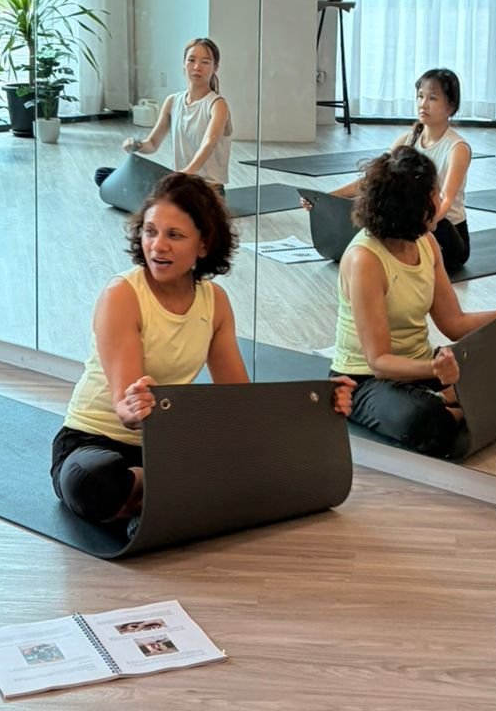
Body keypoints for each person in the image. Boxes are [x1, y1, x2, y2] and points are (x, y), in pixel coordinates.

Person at [53, 172, 353, 526]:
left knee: (265, 460)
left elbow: (238, 403)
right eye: (150, 231)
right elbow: (125, 410)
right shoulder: (122, 295)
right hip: (95, 442)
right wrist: (135, 405)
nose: (157, 246)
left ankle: (155, 496)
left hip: (164, 448)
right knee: (93, 483)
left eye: (174, 235)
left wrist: (322, 403)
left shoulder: (215, 302)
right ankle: (171, 492)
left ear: (204, 244)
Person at [331, 145, 496, 461]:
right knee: (422, 419)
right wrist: (434, 370)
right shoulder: (365, 260)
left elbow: (454, 323)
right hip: (365, 380)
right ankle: (453, 405)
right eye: (434, 195)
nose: (441, 202)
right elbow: (379, 360)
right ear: (412, 207)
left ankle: (452, 401)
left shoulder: (426, 243)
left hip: (425, 368)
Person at [325, 69, 473, 275]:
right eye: (420, 96)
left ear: (451, 106)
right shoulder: (407, 139)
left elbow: (445, 199)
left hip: (446, 232)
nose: (423, 104)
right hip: (413, 225)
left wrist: (423, 226)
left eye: (433, 98)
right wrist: (327, 197)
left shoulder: (457, 148)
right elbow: (374, 180)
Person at [94, 38, 232, 194]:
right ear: (184, 64)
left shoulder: (217, 105)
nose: (197, 67)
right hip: (180, 184)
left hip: (207, 188)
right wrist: (137, 145)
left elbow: (208, 143)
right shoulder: (172, 101)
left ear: (215, 68)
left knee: (162, 193)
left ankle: (155, 200)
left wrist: (184, 174)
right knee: (103, 174)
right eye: (191, 60)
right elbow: (152, 144)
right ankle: (159, 199)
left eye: (205, 62)